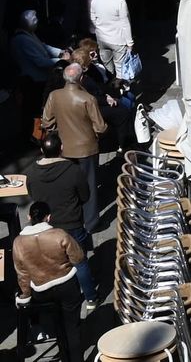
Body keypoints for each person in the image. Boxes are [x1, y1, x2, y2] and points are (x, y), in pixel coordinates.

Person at [27, 133, 95, 312]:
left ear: (42, 150)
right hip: (72, 223)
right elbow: (85, 196)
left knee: (52, 263)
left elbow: (33, 195)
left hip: (47, 226)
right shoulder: (73, 170)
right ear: (62, 148)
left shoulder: (32, 172)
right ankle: (90, 298)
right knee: (80, 261)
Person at [15, 201, 88, 360]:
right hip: (67, 285)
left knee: (55, 321)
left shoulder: (18, 243)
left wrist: (25, 296)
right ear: (48, 217)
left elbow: (22, 274)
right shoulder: (59, 234)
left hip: (41, 290)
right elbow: (78, 257)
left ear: (28, 217)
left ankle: (62, 352)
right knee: (72, 327)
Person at [42, 62, 107, 231]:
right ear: (81, 78)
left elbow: (46, 122)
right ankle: (91, 223)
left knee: (68, 184)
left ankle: (71, 218)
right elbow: (100, 127)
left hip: (64, 149)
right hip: (87, 148)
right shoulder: (88, 99)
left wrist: (59, 131)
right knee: (89, 186)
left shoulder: (54, 96)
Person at [88, 0, 135, 79]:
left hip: (102, 38)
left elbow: (92, 17)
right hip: (118, 40)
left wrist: (100, 28)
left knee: (106, 68)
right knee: (121, 70)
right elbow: (125, 23)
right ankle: (122, 92)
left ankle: (109, 91)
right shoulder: (120, 0)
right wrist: (130, 42)